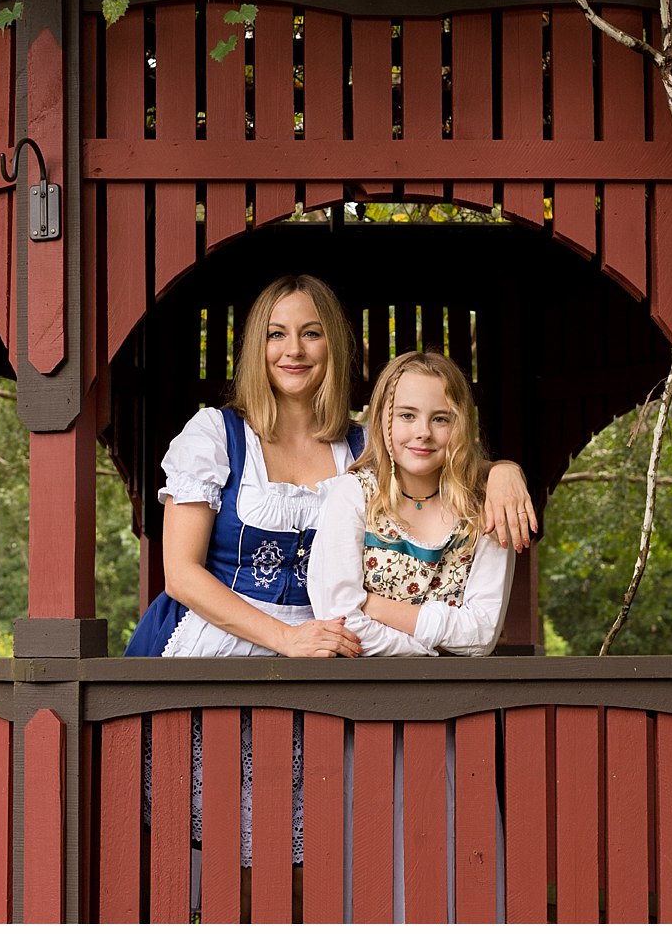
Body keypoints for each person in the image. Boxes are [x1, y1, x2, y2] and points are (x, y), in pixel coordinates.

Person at [122, 274, 534, 885]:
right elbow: (181, 575)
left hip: (337, 652)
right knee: (192, 859)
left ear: (334, 345)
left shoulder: (369, 448)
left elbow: (449, 461)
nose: (294, 350)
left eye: (311, 333)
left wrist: (504, 469)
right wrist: (285, 639)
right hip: (217, 642)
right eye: (277, 334)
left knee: (333, 842)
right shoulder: (216, 435)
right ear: (255, 349)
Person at [308, 350, 514, 656]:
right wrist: (428, 653)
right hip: (354, 694)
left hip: (463, 699)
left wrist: (372, 605)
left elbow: (481, 635)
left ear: (460, 426)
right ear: (382, 420)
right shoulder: (354, 494)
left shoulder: (486, 508)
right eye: (407, 415)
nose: (423, 432)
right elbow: (339, 620)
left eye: (440, 419)